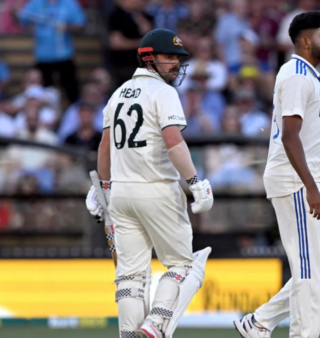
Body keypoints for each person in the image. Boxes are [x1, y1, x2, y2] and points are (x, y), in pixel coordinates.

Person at [84, 28, 213, 338]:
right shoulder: (164, 93)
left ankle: (130, 334)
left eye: (178, 59)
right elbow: (173, 141)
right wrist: (195, 181)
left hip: (122, 194)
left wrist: (102, 187)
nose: (176, 65)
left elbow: (105, 147)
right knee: (182, 265)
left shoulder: (118, 93)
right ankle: (154, 326)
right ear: (148, 58)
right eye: (169, 58)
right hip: (157, 189)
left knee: (130, 276)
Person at [233, 11, 320, 338]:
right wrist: (309, 185)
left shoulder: (307, 75)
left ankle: (259, 321)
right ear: (306, 42)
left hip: (305, 180)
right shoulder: (295, 75)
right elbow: (289, 137)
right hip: (294, 183)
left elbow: (304, 140)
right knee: (308, 271)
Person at [18, 0, 86, 104]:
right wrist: (15, 8)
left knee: (72, 93)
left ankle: (76, 116)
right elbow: (21, 18)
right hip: (43, 57)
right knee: (41, 95)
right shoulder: (36, 3)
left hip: (64, 56)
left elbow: (81, 25)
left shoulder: (69, 3)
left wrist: (66, 27)